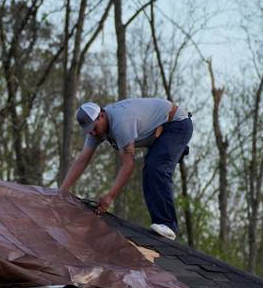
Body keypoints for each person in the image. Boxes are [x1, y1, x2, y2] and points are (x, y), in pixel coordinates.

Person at [59, 98, 193, 240]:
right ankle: (176, 150)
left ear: (102, 116)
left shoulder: (121, 122)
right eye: (89, 131)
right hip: (158, 131)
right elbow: (82, 160)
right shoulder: (97, 130)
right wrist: (61, 193)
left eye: (93, 128)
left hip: (176, 125)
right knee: (149, 170)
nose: (92, 133)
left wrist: (110, 196)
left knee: (156, 168)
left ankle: (168, 225)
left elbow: (128, 165)